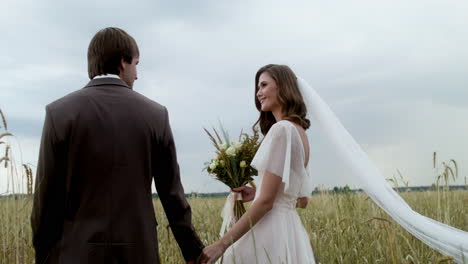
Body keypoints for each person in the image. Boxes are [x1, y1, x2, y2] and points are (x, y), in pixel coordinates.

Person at [30, 27, 204, 264]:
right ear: (123, 62)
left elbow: (45, 200)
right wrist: (192, 251)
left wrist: (43, 255)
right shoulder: (156, 115)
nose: (137, 74)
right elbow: (172, 194)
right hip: (139, 253)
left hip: (76, 254)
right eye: (136, 64)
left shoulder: (58, 113)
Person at [199, 64, 316, 264]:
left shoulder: (282, 130)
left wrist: (221, 244)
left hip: (270, 232)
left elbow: (266, 203)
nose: (258, 93)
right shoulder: (300, 133)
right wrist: (258, 192)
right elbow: (300, 199)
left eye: (263, 85)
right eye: (257, 88)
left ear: (282, 87)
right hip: (290, 231)